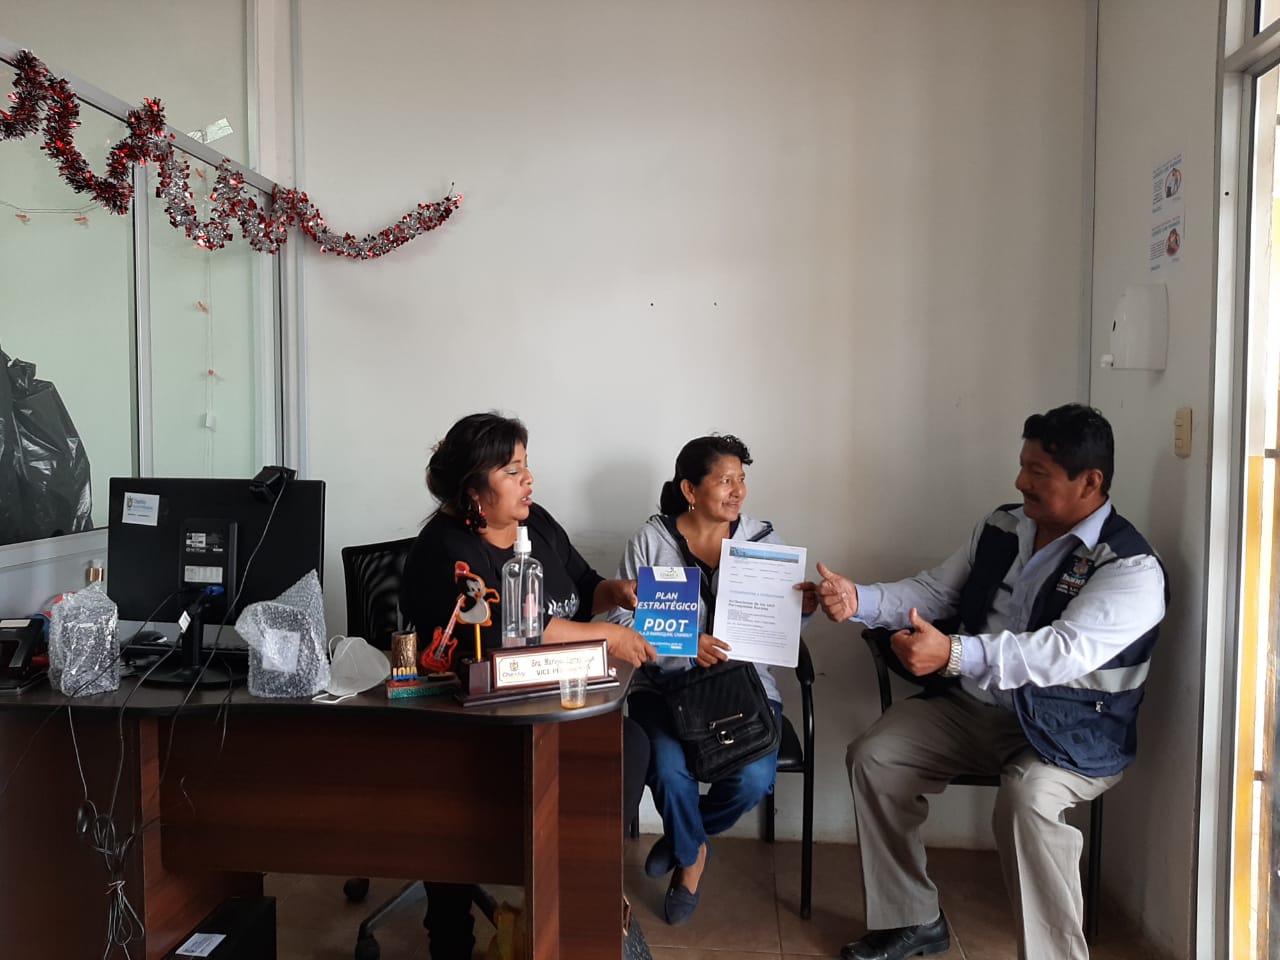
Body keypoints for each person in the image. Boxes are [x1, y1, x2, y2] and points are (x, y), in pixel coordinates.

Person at [816, 403, 1166, 960]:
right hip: (973, 709)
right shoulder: (1003, 525)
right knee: (876, 756)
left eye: (1038, 472)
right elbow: (935, 592)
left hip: (1070, 733)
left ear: (1090, 481)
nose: (1020, 482)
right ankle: (912, 918)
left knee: (1029, 801)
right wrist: (859, 599)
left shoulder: (1129, 568)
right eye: (1022, 466)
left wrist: (953, 653)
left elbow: (1059, 653)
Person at [399, 411, 658, 960]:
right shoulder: (445, 552)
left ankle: (580, 885)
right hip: (474, 720)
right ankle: (452, 934)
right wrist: (606, 638)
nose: (529, 480)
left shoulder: (534, 522)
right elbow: (507, 633)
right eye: (513, 471)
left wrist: (615, 593)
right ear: (474, 491)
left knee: (629, 744)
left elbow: (582, 586)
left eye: (526, 465)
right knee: (453, 795)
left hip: (552, 701)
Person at [609, 434, 817, 926]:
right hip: (664, 687)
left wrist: (802, 609)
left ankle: (686, 837)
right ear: (690, 489)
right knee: (667, 770)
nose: (737, 490)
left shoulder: (763, 543)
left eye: (741, 479)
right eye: (725, 480)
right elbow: (619, 623)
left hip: (742, 687)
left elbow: (781, 629)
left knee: (754, 779)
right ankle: (693, 860)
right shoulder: (650, 541)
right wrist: (685, 643)